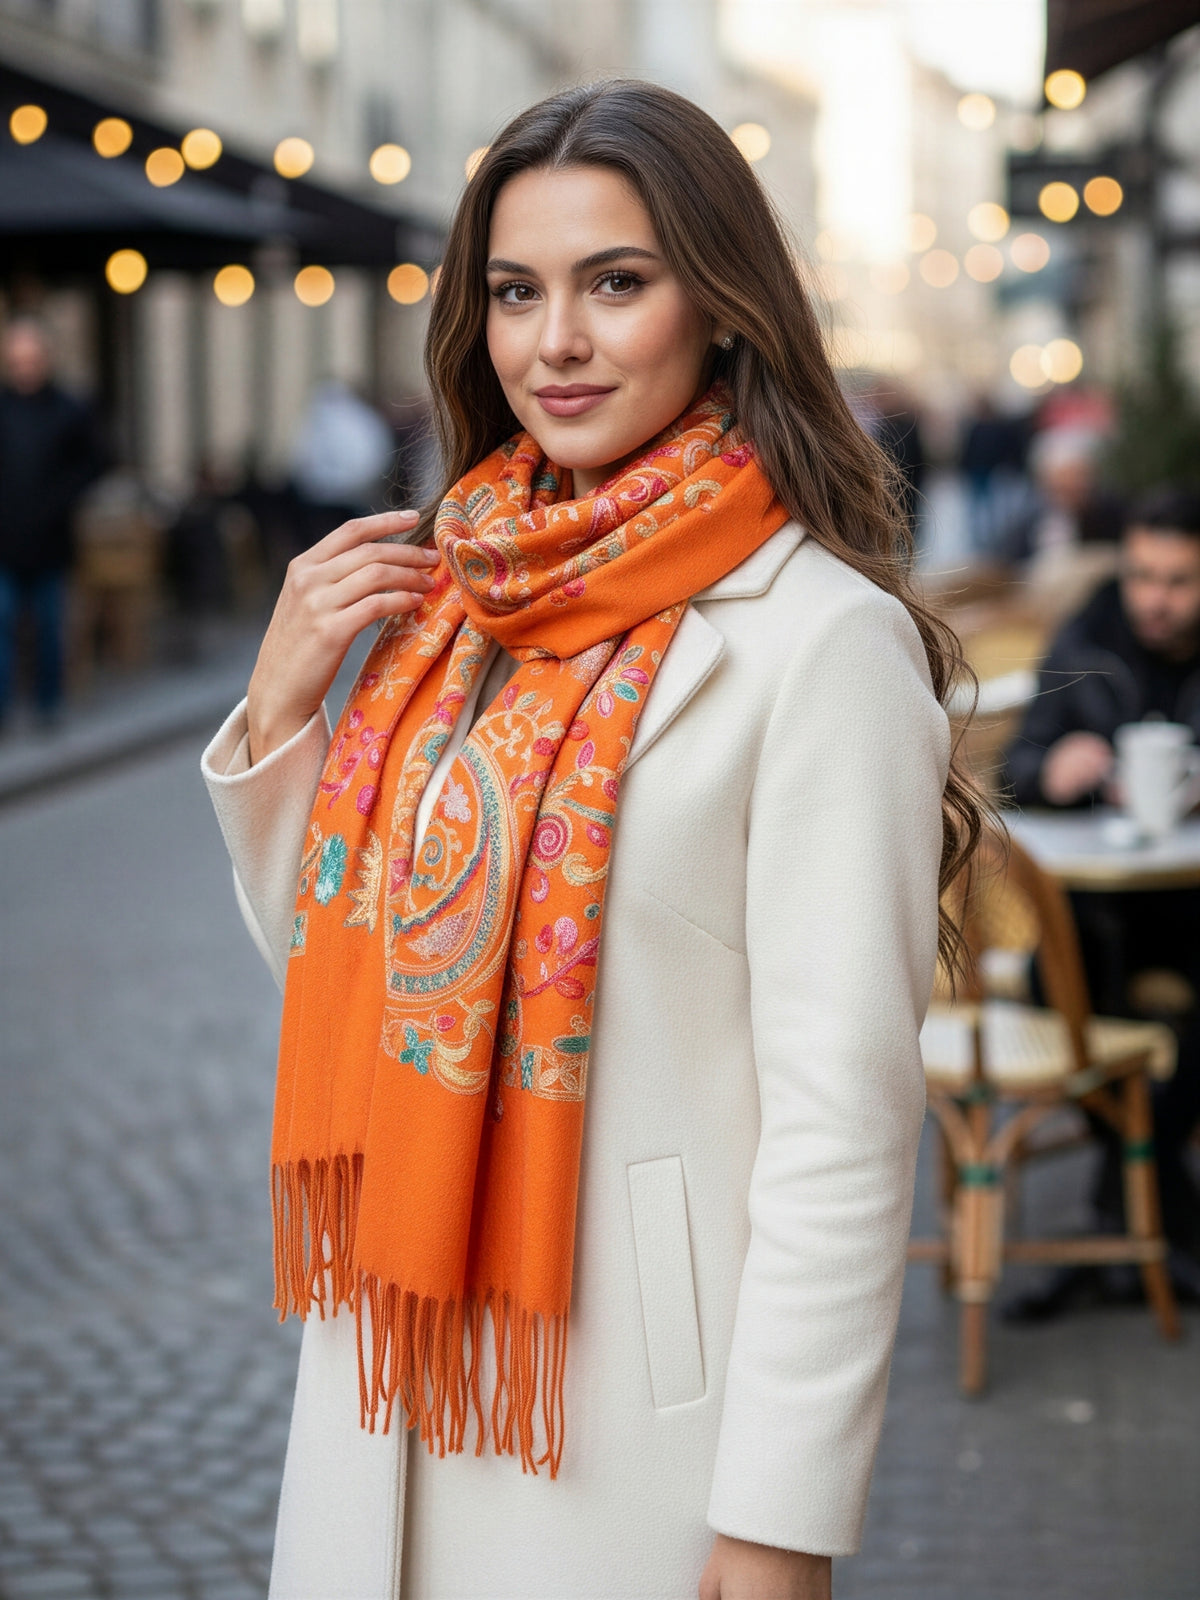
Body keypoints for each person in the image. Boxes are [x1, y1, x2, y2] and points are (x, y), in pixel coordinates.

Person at [203, 81, 972, 1600]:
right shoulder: (455, 606)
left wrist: (778, 1521)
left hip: (627, 1423)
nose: (554, 340)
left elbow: (845, 1127)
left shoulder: (820, 644)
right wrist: (284, 705)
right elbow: (344, 963)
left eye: (615, 284)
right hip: (393, 1364)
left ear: (722, 306)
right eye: (516, 292)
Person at [1002, 486, 1200, 1316]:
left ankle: (1121, 1225)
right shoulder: (1087, 636)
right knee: (1070, 1002)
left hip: (1190, 905)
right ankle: (1166, 1230)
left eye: (1180, 581)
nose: (1154, 599)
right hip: (1095, 911)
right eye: (1142, 576)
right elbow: (1015, 770)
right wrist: (1055, 771)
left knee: (1184, 1035)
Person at [0, 316, 107, 729]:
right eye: (17, 360)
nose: (25, 367)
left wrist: (61, 499)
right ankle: (5, 708)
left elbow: (94, 462)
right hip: (5, 542)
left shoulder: (68, 409)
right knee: (3, 625)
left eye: (31, 358)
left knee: (49, 628)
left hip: (51, 541)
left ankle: (48, 704)